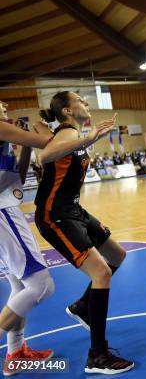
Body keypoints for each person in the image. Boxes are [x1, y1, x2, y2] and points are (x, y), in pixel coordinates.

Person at [34, 91, 133, 374]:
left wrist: (89, 138)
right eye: (81, 101)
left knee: (117, 254)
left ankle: (82, 306)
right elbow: (45, 155)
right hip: (55, 216)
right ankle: (97, 356)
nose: (87, 105)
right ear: (67, 111)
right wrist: (90, 138)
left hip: (74, 211)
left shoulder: (73, 136)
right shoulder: (66, 133)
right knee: (101, 272)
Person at [0, 102, 56, 376]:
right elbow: (49, 140)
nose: (5, 104)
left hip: (5, 208)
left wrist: (24, 149)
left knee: (19, 287)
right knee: (41, 286)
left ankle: (15, 353)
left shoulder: (5, 133)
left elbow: (15, 181)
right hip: (2, 214)